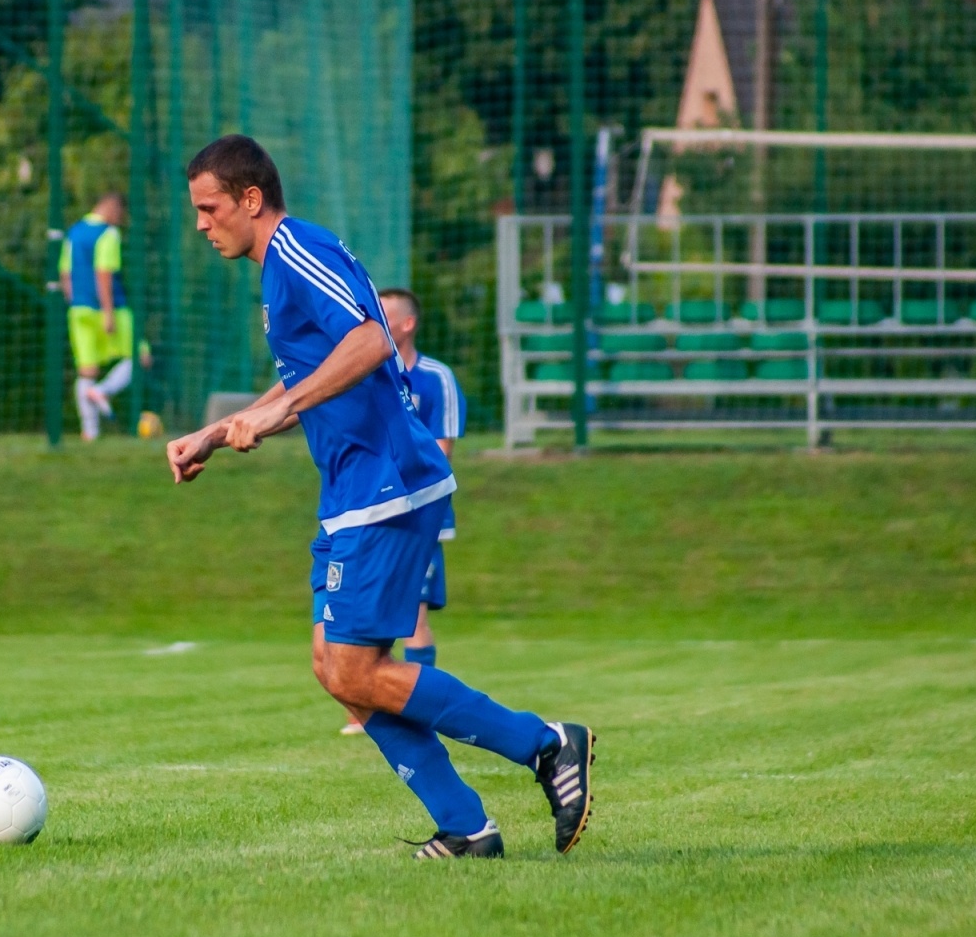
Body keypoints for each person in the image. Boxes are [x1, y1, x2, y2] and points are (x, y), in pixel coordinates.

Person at [166, 135, 595, 859]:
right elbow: (318, 368)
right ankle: (467, 828)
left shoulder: (296, 249)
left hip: (387, 483)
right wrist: (219, 430)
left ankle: (547, 745)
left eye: (209, 209)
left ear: (249, 198)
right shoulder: (280, 269)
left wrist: (272, 416)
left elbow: (369, 341)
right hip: (352, 489)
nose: (202, 225)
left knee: (357, 668)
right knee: (335, 669)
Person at [336, 287, 464, 737]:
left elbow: (442, 448)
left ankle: (416, 708)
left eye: (384, 315)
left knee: (414, 614)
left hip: (416, 514)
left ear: (407, 324)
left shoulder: (435, 378)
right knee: (367, 612)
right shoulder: (368, 372)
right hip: (369, 513)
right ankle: (366, 705)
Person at [61, 193, 141, 441]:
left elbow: (65, 274)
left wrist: (75, 302)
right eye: (120, 215)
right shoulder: (108, 234)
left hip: (79, 309)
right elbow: (103, 273)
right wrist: (107, 313)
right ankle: (102, 390)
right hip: (110, 307)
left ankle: (90, 433)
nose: (120, 220)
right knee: (139, 358)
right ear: (113, 208)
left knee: (87, 369)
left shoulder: (73, 232)